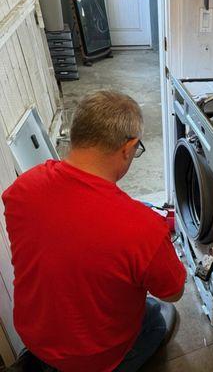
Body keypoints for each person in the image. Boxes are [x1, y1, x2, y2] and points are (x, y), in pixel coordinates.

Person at [2, 91, 187, 372]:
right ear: (129, 147)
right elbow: (173, 292)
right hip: (93, 358)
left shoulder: (21, 190)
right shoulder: (143, 228)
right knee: (158, 318)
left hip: (36, 336)